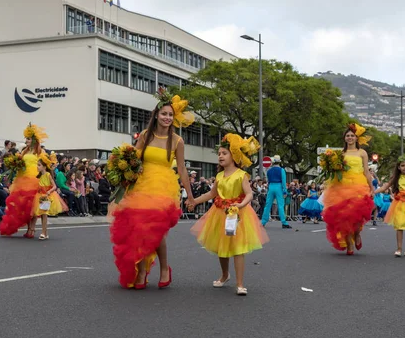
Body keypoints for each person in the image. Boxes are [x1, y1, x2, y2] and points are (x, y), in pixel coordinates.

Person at [109, 88, 194, 289]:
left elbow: (182, 169)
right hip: (142, 185)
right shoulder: (146, 135)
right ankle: (142, 271)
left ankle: (163, 268)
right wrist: (122, 172)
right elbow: (134, 158)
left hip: (164, 186)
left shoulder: (177, 141)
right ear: (156, 115)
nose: (167, 117)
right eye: (163, 113)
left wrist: (190, 196)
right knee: (139, 229)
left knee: (155, 230)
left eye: (170, 114)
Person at [190, 133, 268, 296]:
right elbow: (211, 194)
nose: (220, 156)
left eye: (224, 153)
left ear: (234, 155)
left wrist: (241, 204)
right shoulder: (218, 176)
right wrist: (194, 201)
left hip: (237, 214)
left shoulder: (241, 175)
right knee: (221, 247)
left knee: (238, 248)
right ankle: (225, 275)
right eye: (219, 154)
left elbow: (249, 194)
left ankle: (240, 284)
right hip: (219, 214)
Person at [322, 124, 375, 255]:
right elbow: (334, 171)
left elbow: (367, 172)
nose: (350, 137)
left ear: (357, 138)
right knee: (344, 216)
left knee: (357, 215)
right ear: (344, 138)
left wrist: (372, 187)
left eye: (352, 135)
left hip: (359, 185)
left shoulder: (362, 153)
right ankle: (349, 243)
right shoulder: (340, 154)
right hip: (342, 186)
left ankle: (356, 234)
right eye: (347, 135)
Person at [0, 123, 47, 237]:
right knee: (24, 205)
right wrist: (15, 164)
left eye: (29, 139)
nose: (27, 141)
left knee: (33, 205)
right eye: (26, 139)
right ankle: (29, 227)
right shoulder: (24, 151)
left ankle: (32, 229)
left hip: (35, 179)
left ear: (34, 140)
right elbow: (20, 162)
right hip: (22, 179)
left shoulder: (39, 151)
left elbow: (44, 166)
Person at [375, 152, 405, 257]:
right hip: (400, 204)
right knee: (399, 226)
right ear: (398, 167)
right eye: (402, 165)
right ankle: (399, 248)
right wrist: (373, 192)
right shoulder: (396, 178)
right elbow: (384, 187)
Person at [29, 156, 67, 240]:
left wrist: (49, 191)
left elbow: (54, 186)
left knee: (44, 214)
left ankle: (43, 233)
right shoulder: (39, 176)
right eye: (37, 165)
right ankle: (45, 233)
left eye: (39, 165)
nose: (37, 167)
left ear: (44, 167)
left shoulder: (48, 174)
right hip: (40, 196)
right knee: (42, 215)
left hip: (46, 196)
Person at [261, 155, 291, 229]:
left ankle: (263, 222)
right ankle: (284, 222)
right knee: (280, 205)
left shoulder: (269, 170)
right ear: (279, 162)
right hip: (279, 187)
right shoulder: (282, 170)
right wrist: (285, 191)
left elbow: (268, 181)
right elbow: (284, 182)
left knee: (268, 205)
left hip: (271, 187)